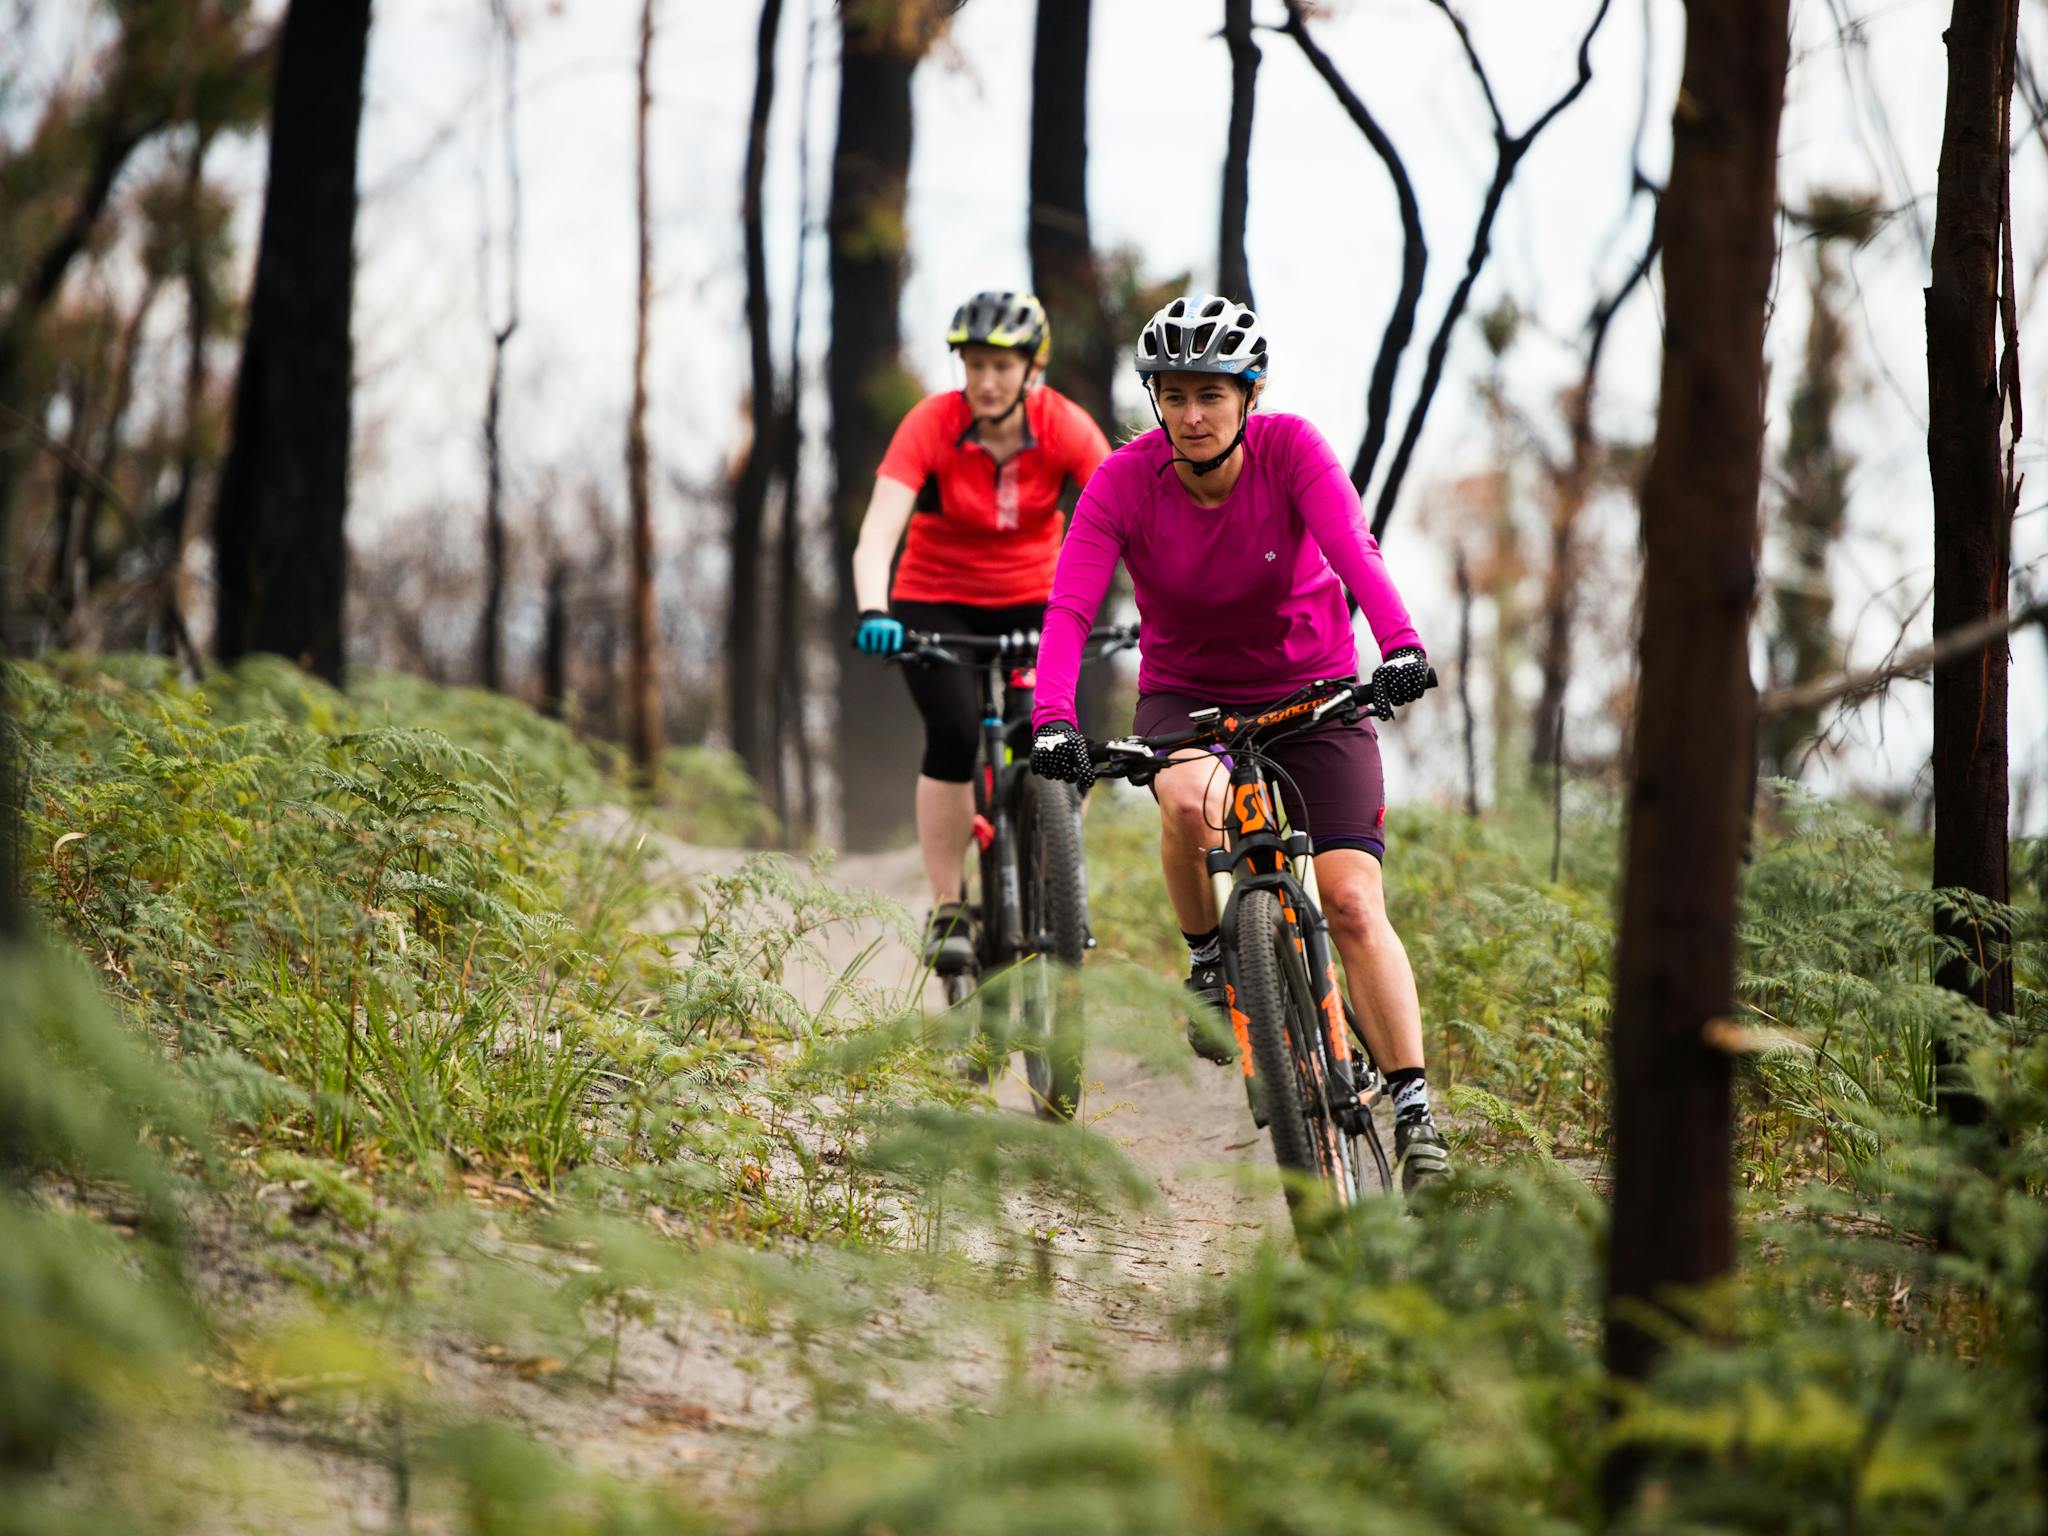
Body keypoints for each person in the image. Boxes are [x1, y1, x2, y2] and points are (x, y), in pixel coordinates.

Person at [1026, 293, 1449, 1197]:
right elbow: (1071, 606)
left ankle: (1413, 1106)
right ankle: (1213, 959)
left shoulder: (1291, 451)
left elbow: (1353, 549)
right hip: (1187, 697)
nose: (1190, 415)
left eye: (1210, 394)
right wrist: (1052, 717)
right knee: (1186, 801)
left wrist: (1401, 644)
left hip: (1317, 690)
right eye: (1173, 395)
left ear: (1249, 395)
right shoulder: (1124, 483)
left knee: (1351, 901)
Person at [849, 290, 1113, 971]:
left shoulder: (1066, 427)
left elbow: (1125, 515)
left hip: (1039, 599)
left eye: (1001, 365)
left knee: (1056, 735)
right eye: (973, 364)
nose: (985, 380)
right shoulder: (932, 425)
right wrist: (875, 612)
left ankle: (1058, 873)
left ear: (1033, 369)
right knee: (957, 734)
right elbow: (878, 533)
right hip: (937, 602)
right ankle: (947, 904)